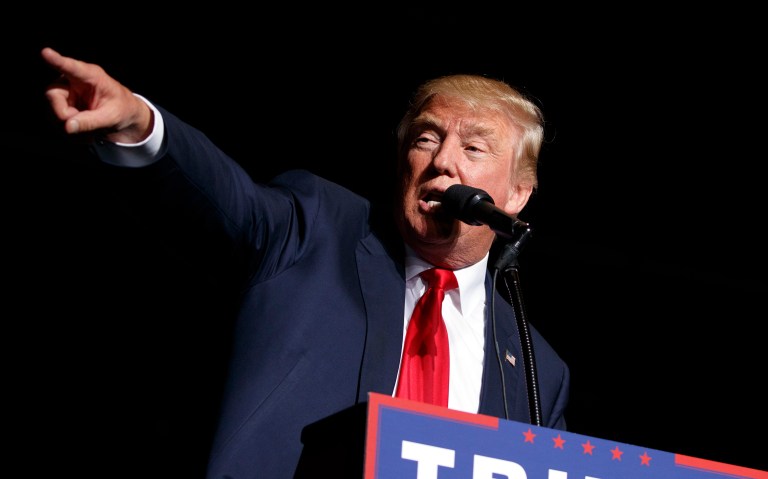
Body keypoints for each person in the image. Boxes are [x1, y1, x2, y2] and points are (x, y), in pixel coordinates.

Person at [40, 46, 570, 478]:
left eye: (474, 149)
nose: (442, 161)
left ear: (517, 194)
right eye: (426, 138)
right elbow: (229, 202)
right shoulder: (316, 229)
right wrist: (139, 125)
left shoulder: (537, 372)